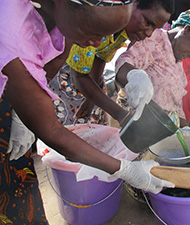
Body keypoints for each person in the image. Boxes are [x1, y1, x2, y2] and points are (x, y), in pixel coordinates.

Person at [0, 0, 174, 223]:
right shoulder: (12, 34)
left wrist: (27, 107)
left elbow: (55, 60)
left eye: (105, 35)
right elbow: (52, 131)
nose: (98, 42)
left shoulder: (70, 20)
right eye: (93, 33)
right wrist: (126, 170)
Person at [49, 0, 175, 126]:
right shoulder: (94, 23)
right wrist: (120, 114)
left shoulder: (122, 33)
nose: (149, 33)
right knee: (60, 127)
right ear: (133, 4)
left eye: (155, 28)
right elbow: (78, 76)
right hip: (65, 77)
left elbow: (101, 57)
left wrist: (91, 99)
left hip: (89, 81)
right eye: (148, 22)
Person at [115, 10, 190, 127]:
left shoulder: (177, 65)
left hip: (161, 130)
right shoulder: (154, 40)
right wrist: (135, 76)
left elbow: (176, 106)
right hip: (136, 125)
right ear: (187, 30)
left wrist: (186, 129)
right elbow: (124, 63)